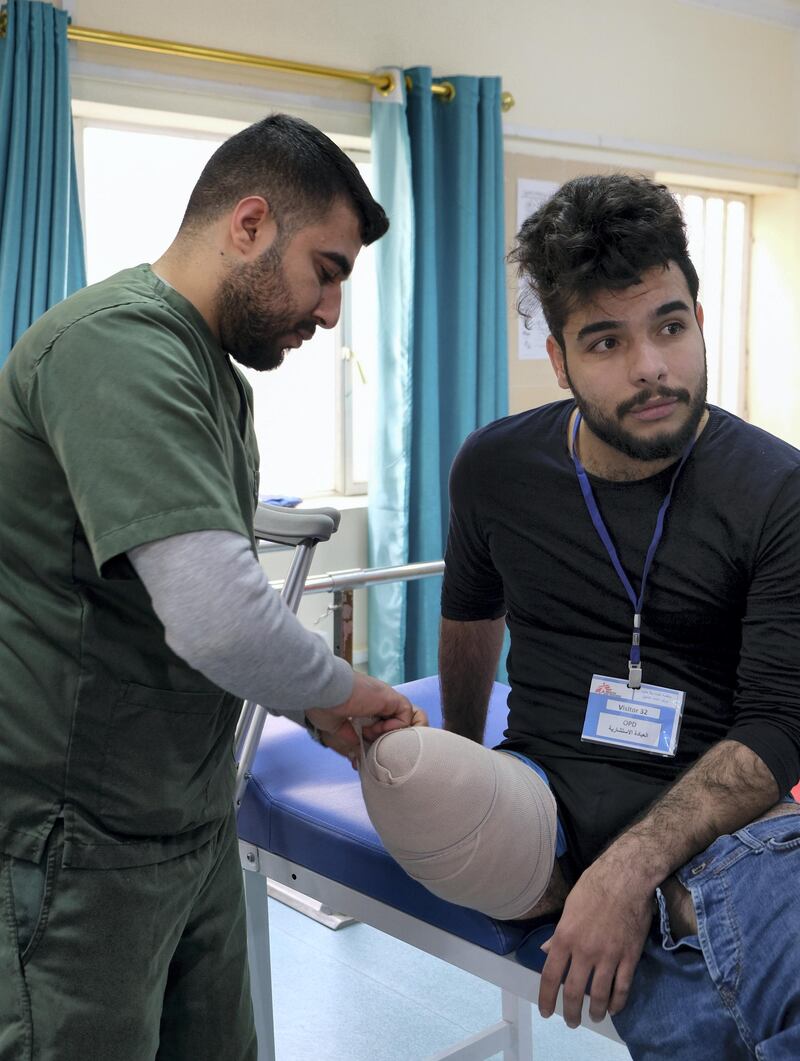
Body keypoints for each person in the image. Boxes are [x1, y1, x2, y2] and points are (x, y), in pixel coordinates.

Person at [0, 113, 421, 1061]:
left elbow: (189, 611)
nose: (329, 312)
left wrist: (312, 712)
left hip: (186, 822)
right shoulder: (118, 348)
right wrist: (346, 691)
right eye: (329, 269)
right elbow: (219, 615)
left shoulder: (217, 380)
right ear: (249, 224)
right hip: (76, 845)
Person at [359, 173, 800, 1060]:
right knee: (409, 770)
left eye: (670, 326)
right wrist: (469, 745)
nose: (651, 367)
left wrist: (631, 867)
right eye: (606, 341)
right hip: (546, 802)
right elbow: (471, 611)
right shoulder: (494, 467)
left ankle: (673, 901)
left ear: (699, 320)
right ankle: (575, 882)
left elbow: (780, 722)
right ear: (558, 359)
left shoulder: (775, 488)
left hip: (718, 825)